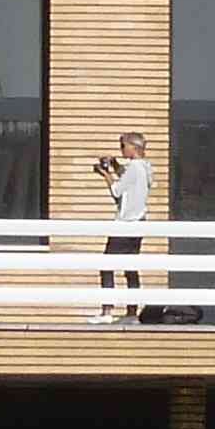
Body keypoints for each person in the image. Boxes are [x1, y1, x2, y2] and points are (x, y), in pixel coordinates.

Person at [93, 131, 153, 316]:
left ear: (133, 147)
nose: (121, 150)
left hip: (125, 222)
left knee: (107, 265)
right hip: (139, 222)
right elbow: (130, 179)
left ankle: (107, 309)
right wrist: (116, 166)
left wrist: (105, 173)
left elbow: (117, 191)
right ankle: (132, 309)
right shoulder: (146, 167)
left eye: (123, 146)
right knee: (130, 266)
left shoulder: (135, 167)